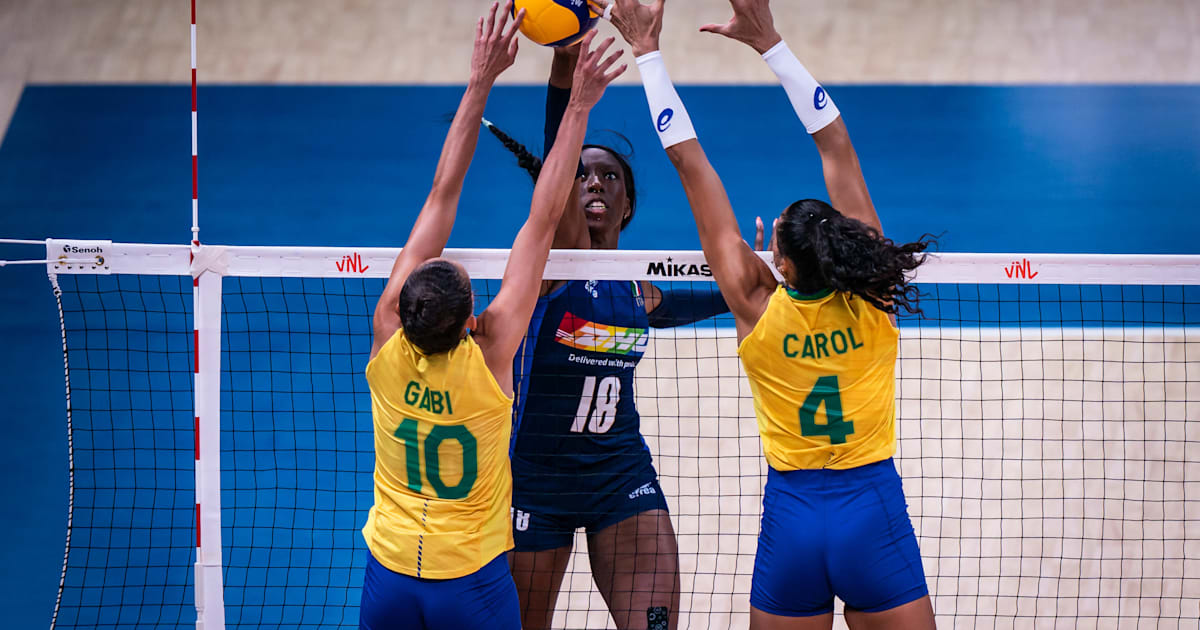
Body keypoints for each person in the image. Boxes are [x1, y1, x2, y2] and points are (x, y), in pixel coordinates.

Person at [599, 0, 938, 628]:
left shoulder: (753, 301)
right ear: (843, 243)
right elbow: (835, 144)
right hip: (873, 513)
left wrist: (648, 51)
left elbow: (689, 162)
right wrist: (773, 45)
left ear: (776, 259)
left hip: (794, 520)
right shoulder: (874, 295)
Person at [357, 1, 627, 625]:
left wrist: (480, 80)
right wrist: (579, 104)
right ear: (470, 318)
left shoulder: (388, 336)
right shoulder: (493, 353)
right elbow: (542, 214)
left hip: (390, 571)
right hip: (470, 582)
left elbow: (440, 192)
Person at [482, 34, 764, 630]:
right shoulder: (557, 262)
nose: (592, 183)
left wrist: (756, 280)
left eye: (608, 177)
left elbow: (700, 300)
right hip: (538, 480)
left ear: (628, 205)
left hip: (620, 475)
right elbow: (557, 168)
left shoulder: (636, 287)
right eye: (580, 174)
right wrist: (565, 73)